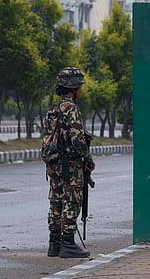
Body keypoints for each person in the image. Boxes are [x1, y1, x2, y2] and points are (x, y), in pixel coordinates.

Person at [46, 67, 95, 258]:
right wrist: (88, 159)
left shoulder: (53, 108)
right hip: (69, 163)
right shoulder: (71, 109)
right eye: (80, 86)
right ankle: (68, 243)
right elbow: (77, 139)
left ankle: (54, 243)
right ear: (73, 88)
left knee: (56, 201)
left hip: (53, 162)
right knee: (72, 200)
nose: (81, 90)